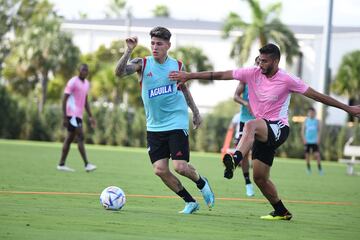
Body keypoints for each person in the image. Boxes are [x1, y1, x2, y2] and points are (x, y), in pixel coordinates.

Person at [169, 43, 360, 220]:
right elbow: (219, 74)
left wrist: (348, 109)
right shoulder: (251, 73)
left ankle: (235, 160)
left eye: (265, 61)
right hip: (261, 132)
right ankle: (281, 211)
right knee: (259, 177)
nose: (261, 64)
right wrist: (189, 75)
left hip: (279, 128)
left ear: (276, 61)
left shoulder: (287, 79)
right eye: (259, 60)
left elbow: (318, 96)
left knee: (250, 124)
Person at [114, 26, 215, 214]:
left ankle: (202, 183)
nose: (154, 47)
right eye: (152, 43)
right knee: (160, 170)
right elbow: (119, 73)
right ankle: (190, 202)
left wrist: (196, 112)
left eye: (159, 44)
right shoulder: (142, 64)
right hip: (154, 126)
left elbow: (184, 89)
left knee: (180, 167)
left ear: (168, 45)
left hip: (176, 121)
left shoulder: (177, 66)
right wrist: (128, 50)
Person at [57, 64, 97, 172]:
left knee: (69, 139)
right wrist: (64, 117)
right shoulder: (73, 82)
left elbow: (85, 101)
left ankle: (61, 164)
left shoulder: (86, 84)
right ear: (78, 70)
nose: (85, 72)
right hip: (71, 114)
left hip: (78, 115)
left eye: (87, 70)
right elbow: (64, 99)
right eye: (83, 70)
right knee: (80, 137)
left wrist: (90, 116)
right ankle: (86, 164)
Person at [301, 107, 323, 175]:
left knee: (317, 155)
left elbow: (319, 131)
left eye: (312, 113)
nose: (311, 114)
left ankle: (320, 169)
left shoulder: (317, 121)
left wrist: (318, 138)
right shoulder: (306, 121)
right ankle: (308, 169)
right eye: (310, 112)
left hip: (314, 141)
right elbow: (302, 131)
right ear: (308, 113)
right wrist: (304, 139)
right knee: (307, 156)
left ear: (314, 113)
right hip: (307, 141)